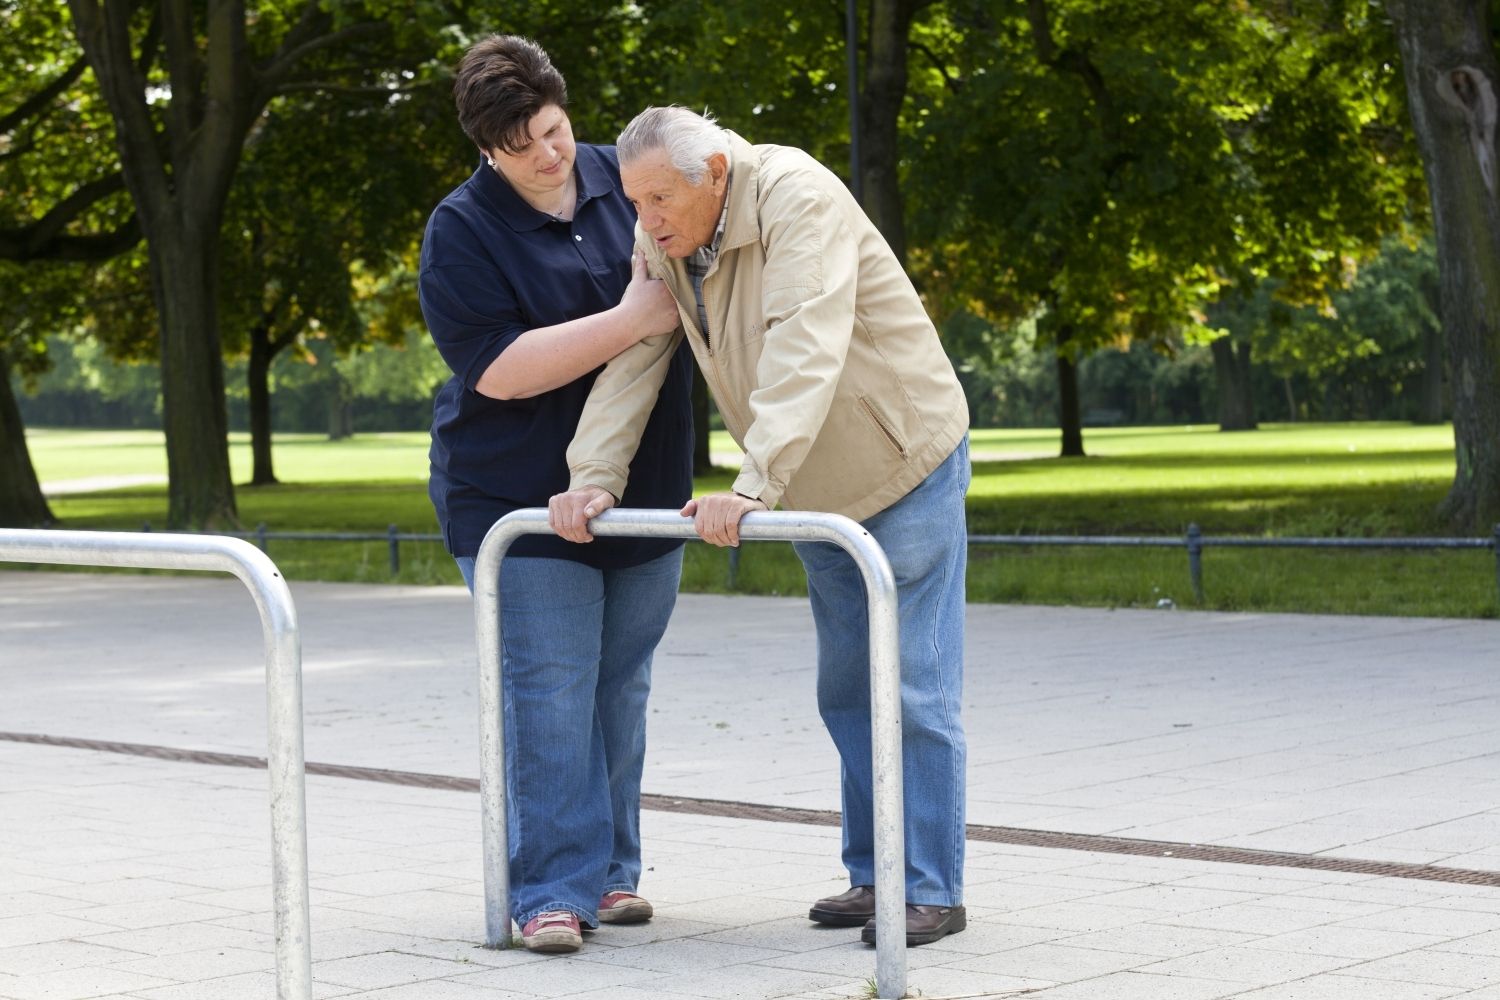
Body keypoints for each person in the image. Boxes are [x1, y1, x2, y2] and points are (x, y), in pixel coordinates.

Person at [549, 107, 971, 946]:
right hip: (820, 483)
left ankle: (929, 888)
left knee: (912, 687)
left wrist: (753, 484)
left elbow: (805, 338)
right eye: (635, 202)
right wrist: (589, 477)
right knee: (848, 686)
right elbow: (636, 358)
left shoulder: (796, 196)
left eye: (660, 198)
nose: (646, 220)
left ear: (714, 173)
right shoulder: (664, 238)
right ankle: (874, 873)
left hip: (902, 459)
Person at [418, 40, 695, 954]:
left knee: (620, 689)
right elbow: (497, 370)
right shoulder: (461, 230)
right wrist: (628, 320)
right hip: (518, 500)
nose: (549, 155)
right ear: (486, 148)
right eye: (522, 144)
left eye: (556, 129)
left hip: (644, 488)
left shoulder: (632, 180)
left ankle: (611, 876)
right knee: (550, 692)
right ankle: (547, 893)